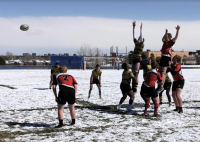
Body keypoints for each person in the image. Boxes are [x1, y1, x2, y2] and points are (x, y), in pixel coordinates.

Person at [157, 25, 180, 93]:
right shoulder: (164, 43)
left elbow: (175, 37)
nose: (164, 38)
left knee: (163, 73)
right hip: (163, 57)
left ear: (169, 38)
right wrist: (165, 33)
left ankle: (161, 86)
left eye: (165, 37)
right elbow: (163, 39)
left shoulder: (170, 42)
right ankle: (159, 85)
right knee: (160, 72)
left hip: (166, 58)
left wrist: (177, 30)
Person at [131, 21, 145, 93]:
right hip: (134, 59)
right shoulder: (136, 44)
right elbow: (134, 36)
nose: (138, 40)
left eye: (140, 39)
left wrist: (141, 28)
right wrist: (133, 27)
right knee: (133, 74)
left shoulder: (141, 45)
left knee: (136, 73)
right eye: (138, 39)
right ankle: (133, 86)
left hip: (138, 60)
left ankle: (135, 88)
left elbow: (141, 36)